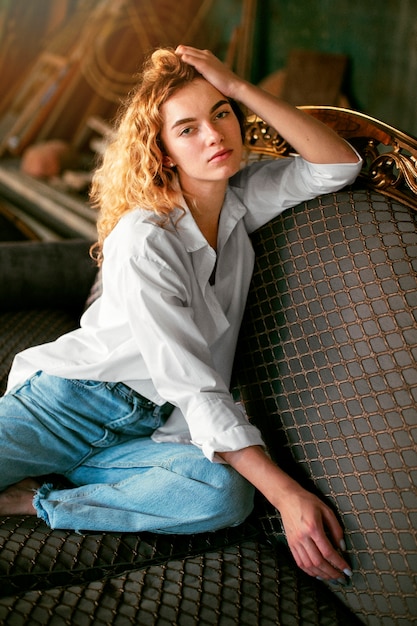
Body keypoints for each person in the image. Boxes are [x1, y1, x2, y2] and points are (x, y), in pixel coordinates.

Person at [0, 46, 361, 582]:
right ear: (163, 150)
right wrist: (287, 496)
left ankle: (36, 502)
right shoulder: (146, 238)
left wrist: (239, 87)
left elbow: (339, 166)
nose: (215, 135)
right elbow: (194, 385)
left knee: (222, 495)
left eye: (220, 114)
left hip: (152, 427)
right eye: (187, 129)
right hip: (70, 403)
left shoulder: (242, 199)